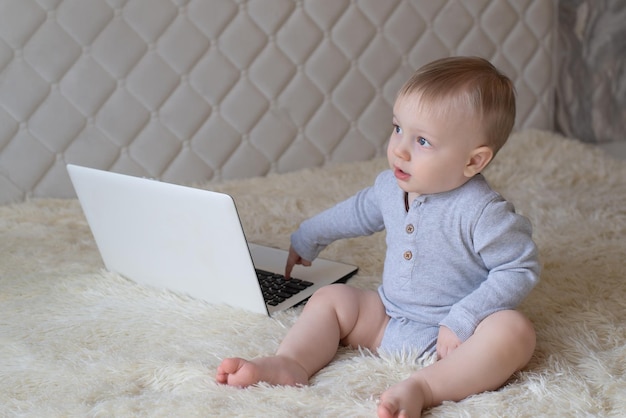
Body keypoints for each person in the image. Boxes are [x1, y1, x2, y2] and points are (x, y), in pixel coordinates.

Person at [216, 56, 540, 418]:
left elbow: (518, 268)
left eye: (422, 141)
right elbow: (355, 213)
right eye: (398, 128)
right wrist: (308, 237)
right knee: (332, 298)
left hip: (453, 341)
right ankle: (290, 363)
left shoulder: (483, 211)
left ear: (473, 162)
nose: (399, 149)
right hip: (387, 319)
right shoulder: (391, 187)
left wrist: (464, 318)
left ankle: (426, 386)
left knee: (515, 332)